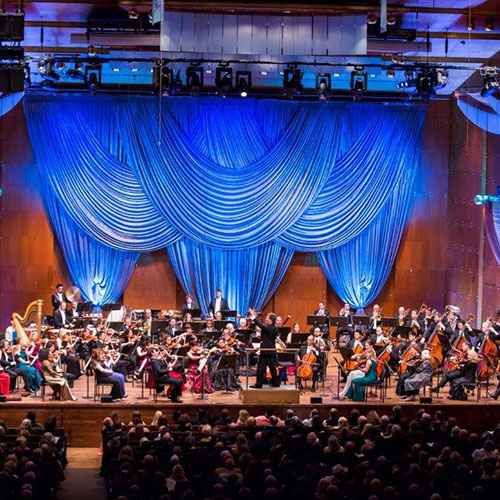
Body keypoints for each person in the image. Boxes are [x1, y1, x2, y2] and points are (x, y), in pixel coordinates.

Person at [248, 308, 280, 388]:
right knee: (271, 368)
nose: (265, 319)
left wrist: (253, 316)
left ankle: (259, 384)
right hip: (268, 351)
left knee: (261, 368)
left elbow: (260, 325)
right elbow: (267, 336)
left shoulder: (271, 328)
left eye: (267, 318)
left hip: (267, 351)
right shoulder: (271, 328)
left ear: (271, 320)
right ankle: (276, 382)